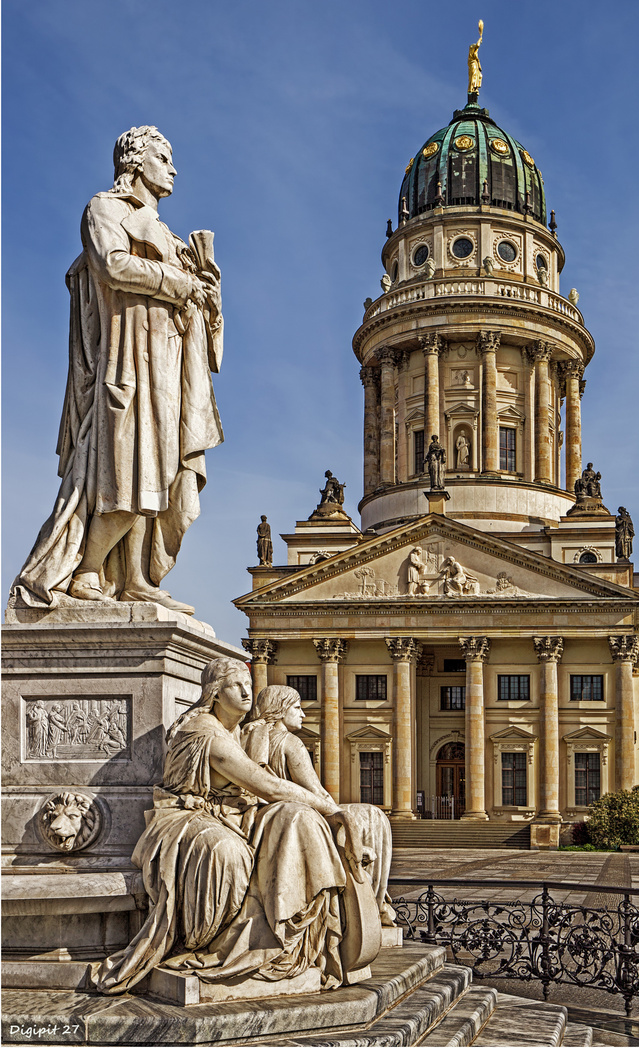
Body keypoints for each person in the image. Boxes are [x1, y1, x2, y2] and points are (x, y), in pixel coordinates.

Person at [12, 126, 223, 616]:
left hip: (172, 364)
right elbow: (112, 264)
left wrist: (209, 294)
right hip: (129, 357)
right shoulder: (105, 208)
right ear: (135, 160)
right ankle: (88, 568)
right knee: (130, 472)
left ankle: (134, 578)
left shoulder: (172, 237)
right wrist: (179, 281)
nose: (173, 168)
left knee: (172, 483)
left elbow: (205, 327)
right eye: (164, 157)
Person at [91, 658, 365, 995]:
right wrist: (334, 809)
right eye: (237, 685)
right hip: (186, 817)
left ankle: (292, 939)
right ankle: (208, 944)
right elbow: (268, 786)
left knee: (299, 819)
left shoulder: (243, 732)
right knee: (229, 852)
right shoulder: (202, 730)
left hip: (236, 813)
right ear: (215, 693)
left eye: (249, 684)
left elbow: (270, 789)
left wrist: (323, 813)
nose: (248, 692)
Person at [241, 684, 396, 927]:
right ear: (280, 710)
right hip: (299, 814)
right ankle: (373, 906)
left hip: (264, 814)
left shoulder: (248, 737)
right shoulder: (289, 742)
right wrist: (339, 815)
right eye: (297, 707)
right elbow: (317, 792)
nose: (303, 714)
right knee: (373, 815)